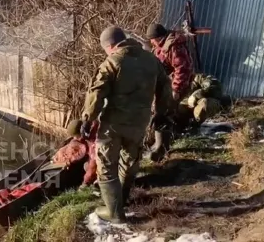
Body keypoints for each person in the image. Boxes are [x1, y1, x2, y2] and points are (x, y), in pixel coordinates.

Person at [81, 26, 172, 223]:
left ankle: (114, 213)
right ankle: (120, 203)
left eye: (106, 49)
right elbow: (166, 87)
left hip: (114, 123)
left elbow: (96, 94)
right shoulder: (151, 59)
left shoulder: (113, 62)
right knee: (130, 161)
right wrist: (161, 113)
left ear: (111, 46)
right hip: (140, 122)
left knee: (106, 165)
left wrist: (88, 119)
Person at [146, 23, 194, 162]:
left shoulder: (175, 47)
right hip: (168, 84)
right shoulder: (162, 46)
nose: (151, 42)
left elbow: (183, 69)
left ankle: (162, 148)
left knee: (164, 112)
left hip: (176, 85)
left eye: (152, 39)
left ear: (158, 38)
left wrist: (176, 90)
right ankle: (161, 144)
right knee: (162, 111)